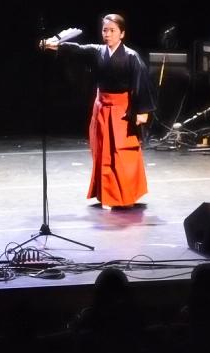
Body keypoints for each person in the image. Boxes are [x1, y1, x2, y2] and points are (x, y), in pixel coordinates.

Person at [42, 14, 155, 208]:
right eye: (105, 30)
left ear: (122, 33)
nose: (108, 34)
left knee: (122, 152)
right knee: (103, 152)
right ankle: (107, 195)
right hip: (101, 107)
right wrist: (53, 45)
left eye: (112, 30)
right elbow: (78, 50)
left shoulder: (131, 56)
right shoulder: (98, 51)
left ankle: (126, 195)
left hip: (121, 110)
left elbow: (141, 83)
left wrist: (142, 111)